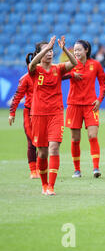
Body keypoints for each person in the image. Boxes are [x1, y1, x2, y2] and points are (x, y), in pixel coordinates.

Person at [28, 36, 77, 195]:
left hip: (55, 113)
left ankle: (51, 186)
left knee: (54, 148)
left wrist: (64, 50)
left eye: (51, 51)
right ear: (40, 54)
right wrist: (47, 47)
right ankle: (43, 185)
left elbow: (75, 63)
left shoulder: (58, 68)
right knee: (42, 153)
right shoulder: (36, 70)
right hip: (38, 114)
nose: (49, 53)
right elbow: (32, 63)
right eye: (46, 51)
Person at [66, 40, 105, 179]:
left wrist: (99, 99)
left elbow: (103, 83)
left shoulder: (95, 64)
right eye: (75, 50)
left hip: (91, 105)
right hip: (73, 105)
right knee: (75, 138)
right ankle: (77, 170)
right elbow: (58, 75)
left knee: (92, 135)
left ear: (86, 50)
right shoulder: (71, 64)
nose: (76, 52)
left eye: (79, 50)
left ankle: (96, 168)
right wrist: (71, 75)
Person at [8, 71, 38, 179]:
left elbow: (60, 75)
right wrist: (12, 113)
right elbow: (17, 96)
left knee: (45, 143)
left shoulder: (48, 74)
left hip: (44, 113)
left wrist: (71, 74)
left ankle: (40, 168)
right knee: (31, 141)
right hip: (29, 112)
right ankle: (33, 170)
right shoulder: (25, 78)